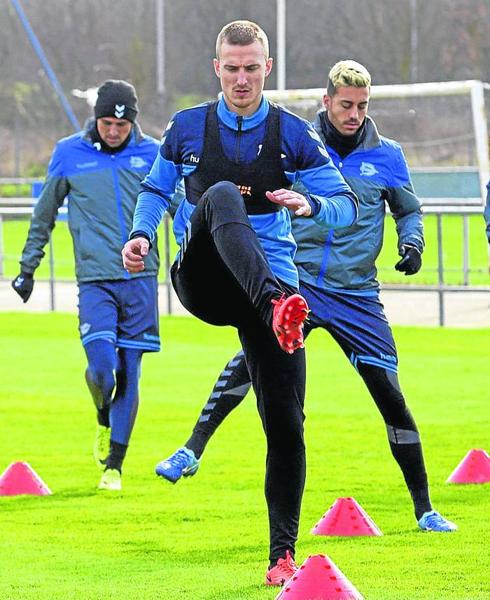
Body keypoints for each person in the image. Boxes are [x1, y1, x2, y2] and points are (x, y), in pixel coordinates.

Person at [158, 60, 457, 536]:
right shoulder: (295, 144)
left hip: (357, 294)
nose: (354, 114)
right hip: (303, 286)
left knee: (390, 395)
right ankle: (192, 447)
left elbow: (408, 209)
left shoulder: (388, 155)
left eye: (362, 106)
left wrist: (413, 242)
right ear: (327, 101)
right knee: (253, 361)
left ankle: (424, 509)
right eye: (346, 105)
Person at [122, 22, 358, 586]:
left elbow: (346, 204)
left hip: (267, 295)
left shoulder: (292, 133)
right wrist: (142, 235)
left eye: (252, 68)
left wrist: (309, 204)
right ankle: (278, 302)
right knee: (221, 195)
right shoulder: (187, 128)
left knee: (287, 423)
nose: (242, 78)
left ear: (267, 69)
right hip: (204, 279)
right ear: (217, 68)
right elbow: (156, 189)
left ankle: (282, 556)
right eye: (232, 68)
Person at [12, 80, 161, 492]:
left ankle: (114, 465)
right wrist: (28, 268)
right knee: (102, 370)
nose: (113, 131)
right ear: (95, 119)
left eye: (121, 124)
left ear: (133, 122)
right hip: (95, 280)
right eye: (106, 122)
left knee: (130, 373)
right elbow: (43, 214)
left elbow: (180, 204)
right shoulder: (68, 154)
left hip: (141, 279)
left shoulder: (153, 154)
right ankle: (101, 413)